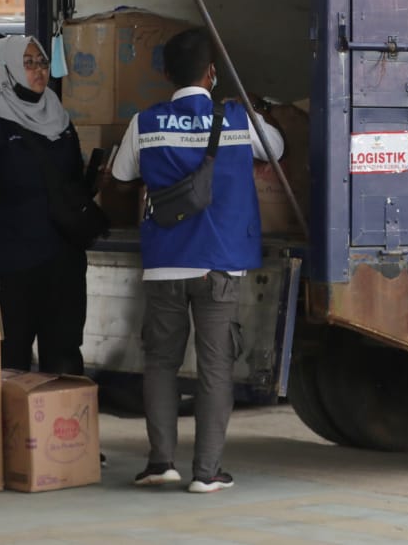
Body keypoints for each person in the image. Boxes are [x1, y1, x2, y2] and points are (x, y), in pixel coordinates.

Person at [110, 27, 284, 493]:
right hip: (219, 265)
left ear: (167, 73)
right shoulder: (235, 119)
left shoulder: (145, 122)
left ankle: (160, 462)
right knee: (215, 369)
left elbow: (121, 174)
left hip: (165, 262)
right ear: (211, 73)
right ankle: (206, 472)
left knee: (161, 364)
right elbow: (278, 150)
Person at [0, 35, 88, 377]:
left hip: (62, 262)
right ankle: (13, 430)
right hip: (11, 267)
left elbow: (71, 181)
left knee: (64, 355)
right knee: (9, 359)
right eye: (28, 63)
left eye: (41, 62)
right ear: (7, 68)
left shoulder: (58, 117)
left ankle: (61, 428)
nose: (38, 71)